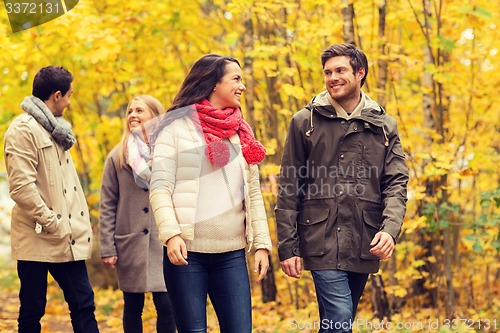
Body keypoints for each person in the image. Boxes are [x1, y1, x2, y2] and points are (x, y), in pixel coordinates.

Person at [275, 43, 409, 333]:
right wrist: (287, 245)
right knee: (340, 318)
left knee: (336, 322)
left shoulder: (384, 125)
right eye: (327, 72)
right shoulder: (304, 121)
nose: (332, 77)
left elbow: (396, 182)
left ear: (360, 73)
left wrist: (389, 229)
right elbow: (289, 184)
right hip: (319, 236)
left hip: (364, 237)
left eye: (340, 70)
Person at [149, 53, 273, 333]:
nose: (242, 86)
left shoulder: (241, 132)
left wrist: (262, 243)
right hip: (187, 253)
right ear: (214, 83)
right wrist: (171, 235)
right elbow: (160, 187)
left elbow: (252, 193)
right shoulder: (176, 128)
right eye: (236, 79)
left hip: (231, 254)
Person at [3, 66, 100, 333]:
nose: (69, 102)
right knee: (33, 309)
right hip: (38, 235)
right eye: (69, 95)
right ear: (57, 96)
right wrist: (54, 223)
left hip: (64, 237)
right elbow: (22, 188)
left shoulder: (57, 131)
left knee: (83, 303)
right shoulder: (22, 130)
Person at [99, 95, 177, 333]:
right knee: (133, 305)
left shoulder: (170, 153)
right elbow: (107, 203)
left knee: (166, 304)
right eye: (129, 111)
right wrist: (107, 247)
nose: (132, 115)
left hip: (164, 241)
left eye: (139, 111)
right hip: (130, 242)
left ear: (155, 116)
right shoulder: (117, 156)